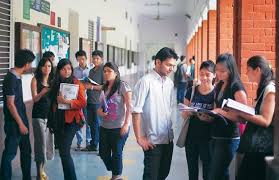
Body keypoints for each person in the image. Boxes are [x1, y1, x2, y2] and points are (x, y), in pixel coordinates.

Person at [132, 47, 178, 180]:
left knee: (163, 174)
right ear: (158, 62)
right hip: (152, 141)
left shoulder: (169, 83)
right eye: (168, 65)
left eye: (173, 66)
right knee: (151, 176)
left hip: (168, 138)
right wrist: (140, 137)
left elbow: (168, 110)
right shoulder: (145, 82)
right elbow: (136, 111)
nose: (171, 69)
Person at [226, 56, 274, 180]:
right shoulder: (263, 88)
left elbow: (265, 120)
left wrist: (241, 112)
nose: (246, 73)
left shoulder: (270, 90)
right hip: (256, 147)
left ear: (257, 70)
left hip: (262, 148)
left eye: (248, 70)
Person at [210, 53, 247, 180]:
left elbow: (243, 118)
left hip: (228, 137)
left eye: (222, 71)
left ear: (231, 70)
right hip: (216, 133)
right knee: (221, 173)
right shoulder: (220, 84)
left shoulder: (236, 87)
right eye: (217, 70)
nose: (219, 74)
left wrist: (221, 112)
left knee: (215, 174)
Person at [48, 59, 86, 180]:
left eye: (69, 69)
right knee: (63, 153)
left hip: (72, 121)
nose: (67, 71)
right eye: (63, 69)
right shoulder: (54, 83)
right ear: (59, 70)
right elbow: (51, 103)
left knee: (64, 151)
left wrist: (67, 102)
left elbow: (83, 102)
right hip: (58, 121)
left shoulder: (76, 83)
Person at [0, 49, 35, 180]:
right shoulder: (11, 79)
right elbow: (10, 104)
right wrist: (20, 124)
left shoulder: (16, 76)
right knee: (9, 153)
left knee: (26, 152)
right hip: (14, 123)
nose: (31, 66)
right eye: (30, 63)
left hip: (22, 119)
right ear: (26, 64)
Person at [97, 62, 132, 180]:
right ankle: (116, 170)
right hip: (105, 126)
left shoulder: (123, 86)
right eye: (105, 71)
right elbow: (100, 107)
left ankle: (116, 177)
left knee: (117, 153)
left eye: (109, 71)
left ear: (116, 73)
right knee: (103, 153)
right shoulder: (104, 87)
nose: (106, 73)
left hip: (119, 126)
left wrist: (126, 124)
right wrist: (100, 112)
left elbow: (129, 106)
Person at [181, 60, 215, 180]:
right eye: (201, 74)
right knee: (192, 169)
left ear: (214, 75)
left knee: (207, 168)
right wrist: (188, 112)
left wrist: (209, 118)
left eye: (208, 74)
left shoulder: (216, 93)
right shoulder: (192, 91)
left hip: (208, 138)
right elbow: (184, 114)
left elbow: (218, 115)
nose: (204, 77)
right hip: (191, 136)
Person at [31, 57, 55, 180]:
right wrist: (43, 91)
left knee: (47, 145)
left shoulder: (52, 81)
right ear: (40, 67)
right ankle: (39, 173)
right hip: (38, 116)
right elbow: (34, 99)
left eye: (49, 66)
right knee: (41, 146)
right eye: (45, 66)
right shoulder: (35, 80)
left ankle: (41, 171)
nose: (47, 68)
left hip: (49, 117)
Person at [82, 50, 104, 151]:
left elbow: (105, 86)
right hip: (89, 100)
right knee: (91, 123)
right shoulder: (91, 71)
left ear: (101, 59)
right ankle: (93, 144)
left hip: (98, 101)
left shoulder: (104, 70)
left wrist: (91, 87)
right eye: (94, 58)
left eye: (97, 58)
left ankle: (98, 145)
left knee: (97, 124)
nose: (95, 60)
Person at [73, 50, 92, 150]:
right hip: (77, 99)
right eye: (79, 59)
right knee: (78, 121)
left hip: (88, 99)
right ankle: (79, 142)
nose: (81, 61)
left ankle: (88, 141)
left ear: (86, 58)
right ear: (77, 60)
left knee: (88, 121)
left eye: (83, 59)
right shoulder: (74, 71)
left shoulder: (91, 70)